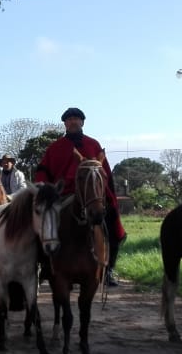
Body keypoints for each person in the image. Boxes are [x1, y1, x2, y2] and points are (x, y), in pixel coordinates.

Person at [34, 107, 126, 286]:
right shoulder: (55, 147)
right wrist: (45, 192)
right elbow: (43, 172)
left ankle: (107, 269)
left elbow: (104, 173)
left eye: (76, 119)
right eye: (69, 119)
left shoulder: (93, 144)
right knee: (45, 221)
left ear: (82, 122)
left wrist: (105, 195)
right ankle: (45, 264)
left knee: (111, 220)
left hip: (91, 196)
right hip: (63, 194)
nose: (73, 122)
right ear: (65, 124)